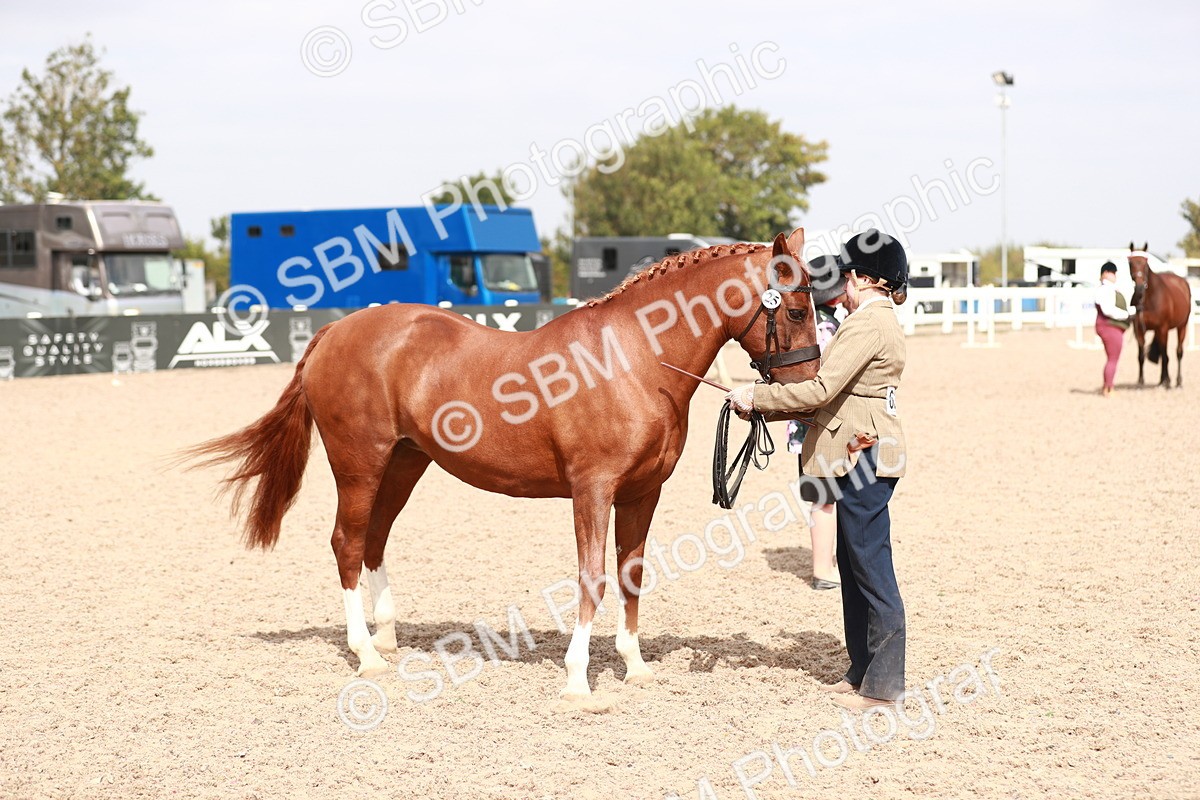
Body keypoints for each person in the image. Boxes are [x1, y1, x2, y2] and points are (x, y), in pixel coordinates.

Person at [727, 230, 908, 709]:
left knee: (871, 568)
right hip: (855, 450)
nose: (843, 285)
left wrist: (758, 397)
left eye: (848, 277)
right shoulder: (870, 320)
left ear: (866, 279)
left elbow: (822, 389)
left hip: (863, 456)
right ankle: (861, 670)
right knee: (852, 564)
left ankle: (884, 688)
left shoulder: (868, 324)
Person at [783, 254, 848, 590]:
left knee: (820, 496)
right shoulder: (827, 327)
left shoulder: (812, 322)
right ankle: (823, 568)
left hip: (803, 424)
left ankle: (826, 563)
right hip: (822, 425)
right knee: (824, 497)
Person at [1094, 261, 1132, 397]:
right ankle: (1108, 387)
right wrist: (1127, 315)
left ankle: (1108, 386)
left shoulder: (1108, 289)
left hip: (1111, 326)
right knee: (1113, 358)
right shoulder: (1105, 290)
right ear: (1105, 273)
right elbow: (1108, 310)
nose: (1114, 275)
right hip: (1109, 326)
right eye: (1112, 272)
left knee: (1112, 358)